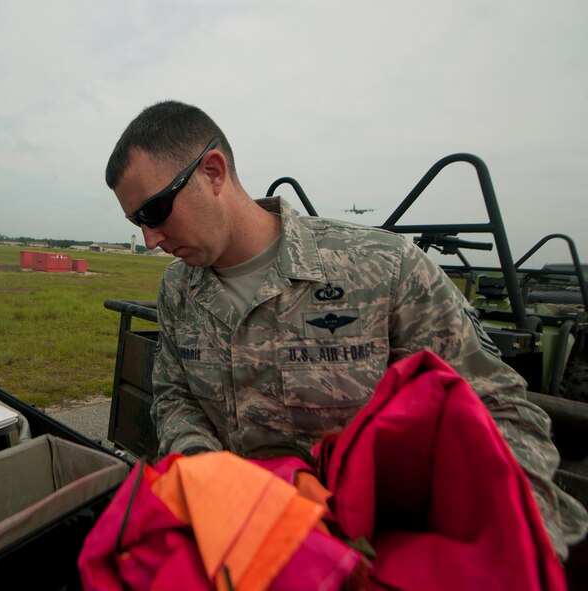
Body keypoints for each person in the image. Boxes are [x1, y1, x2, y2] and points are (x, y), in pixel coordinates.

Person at [105, 100, 587, 558]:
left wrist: (507, 544)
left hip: (371, 553)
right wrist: (205, 474)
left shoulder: (383, 268)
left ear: (213, 172)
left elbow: (498, 412)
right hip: (245, 551)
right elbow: (174, 394)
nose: (149, 240)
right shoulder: (178, 290)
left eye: (154, 212)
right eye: (135, 222)